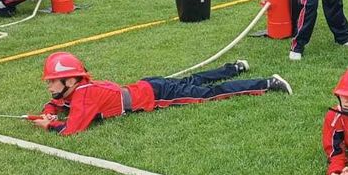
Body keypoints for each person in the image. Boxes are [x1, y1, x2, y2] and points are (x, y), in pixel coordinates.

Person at [31, 52, 291, 136]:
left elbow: (72, 129)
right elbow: (56, 103)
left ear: (71, 80)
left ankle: (267, 83)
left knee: (207, 94)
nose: (50, 87)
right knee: (193, 80)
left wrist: (49, 126)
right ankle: (234, 67)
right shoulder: (77, 91)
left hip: (156, 95)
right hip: (150, 86)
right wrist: (50, 111)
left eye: (53, 82)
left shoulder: (84, 95)